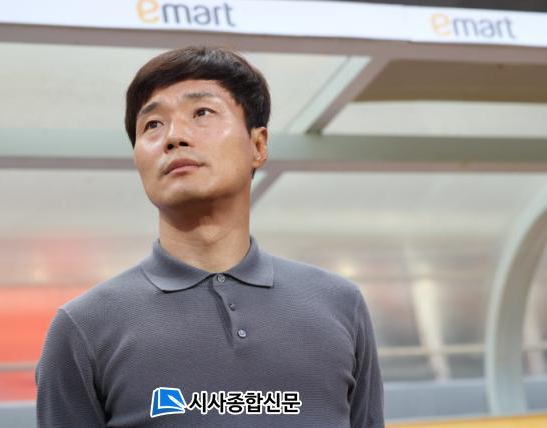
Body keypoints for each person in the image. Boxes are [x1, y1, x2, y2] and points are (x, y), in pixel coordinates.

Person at [36, 45, 384, 427]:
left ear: (258, 146)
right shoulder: (84, 327)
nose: (174, 137)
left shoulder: (340, 305)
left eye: (202, 112)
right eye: (152, 124)